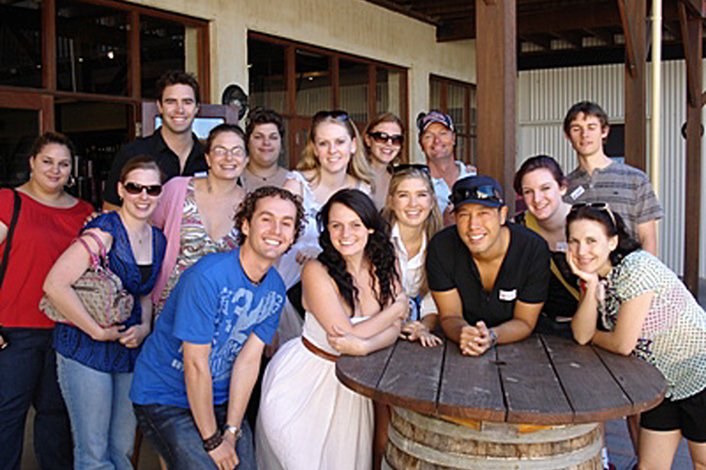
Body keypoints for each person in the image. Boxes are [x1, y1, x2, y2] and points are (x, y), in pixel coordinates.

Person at [130, 187, 304, 470]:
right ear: (245, 225)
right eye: (266, 219)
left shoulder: (274, 289)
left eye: (286, 223)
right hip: (165, 396)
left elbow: (248, 362)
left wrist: (232, 432)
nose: (276, 230)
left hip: (220, 398)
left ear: (294, 235)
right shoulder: (207, 277)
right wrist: (213, 441)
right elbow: (195, 364)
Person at [256, 189, 407, 470]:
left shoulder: (387, 262)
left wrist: (365, 346)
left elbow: (394, 329)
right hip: (308, 381)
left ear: (370, 227)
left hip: (357, 384)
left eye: (355, 225)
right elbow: (344, 334)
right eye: (336, 225)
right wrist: (396, 309)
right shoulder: (316, 270)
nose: (345, 234)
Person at [43, 155, 166, 469]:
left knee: (122, 448)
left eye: (152, 189)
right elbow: (55, 284)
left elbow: (144, 291)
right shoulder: (102, 233)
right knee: (94, 452)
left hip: (127, 349)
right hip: (85, 346)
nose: (143, 196)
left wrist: (145, 327)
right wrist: (96, 331)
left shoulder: (157, 239)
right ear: (121, 190)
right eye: (135, 187)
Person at [567, 203, 706, 470]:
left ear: (612, 242)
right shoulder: (595, 275)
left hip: (698, 371)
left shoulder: (636, 267)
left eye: (591, 241)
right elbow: (581, 335)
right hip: (662, 382)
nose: (582, 251)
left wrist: (595, 335)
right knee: (649, 466)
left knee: (702, 462)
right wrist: (590, 284)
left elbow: (622, 344)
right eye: (574, 241)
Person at [0, 132, 93, 470]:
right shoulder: (8, 201)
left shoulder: (84, 211)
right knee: (7, 415)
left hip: (64, 328)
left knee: (56, 417)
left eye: (63, 164)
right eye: (48, 162)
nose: (55, 170)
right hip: (13, 330)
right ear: (32, 163)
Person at [277, 110, 373, 344]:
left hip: (341, 287)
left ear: (353, 145)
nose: (332, 150)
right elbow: (277, 239)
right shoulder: (296, 185)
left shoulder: (363, 189)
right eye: (324, 143)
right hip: (292, 285)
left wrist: (322, 254)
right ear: (314, 148)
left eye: (339, 142)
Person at [426, 175, 550, 355]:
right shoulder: (442, 247)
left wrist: (491, 336)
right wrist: (464, 333)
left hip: (526, 351)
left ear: (502, 215)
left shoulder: (531, 249)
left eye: (483, 213)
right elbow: (450, 315)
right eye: (464, 215)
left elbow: (525, 321)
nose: (473, 225)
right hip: (457, 349)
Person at [151, 123, 247, 314]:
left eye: (237, 151)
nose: (229, 158)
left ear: (246, 160)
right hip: (171, 305)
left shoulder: (251, 206)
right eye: (220, 151)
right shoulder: (176, 189)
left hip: (222, 311)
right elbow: (146, 231)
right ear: (208, 158)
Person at [562, 101, 663, 255]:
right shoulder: (564, 187)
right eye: (576, 129)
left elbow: (647, 238)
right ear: (567, 135)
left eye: (591, 127)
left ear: (604, 131)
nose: (584, 135)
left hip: (628, 267)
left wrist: (646, 270)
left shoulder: (636, 179)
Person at [103, 70, 206, 210]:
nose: (179, 109)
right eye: (171, 102)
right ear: (160, 106)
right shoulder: (133, 153)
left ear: (197, 108)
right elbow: (110, 208)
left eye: (187, 102)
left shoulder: (209, 158)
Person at [513, 155, 578, 338]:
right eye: (528, 192)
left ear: (562, 187)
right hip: (540, 329)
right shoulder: (518, 229)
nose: (537, 199)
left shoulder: (589, 222)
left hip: (592, 328)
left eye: (545, 188)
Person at [416, 110, 475, 223]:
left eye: (443, 133)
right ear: (421, 144)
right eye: (428, 136)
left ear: (453, 138)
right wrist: (443, 222)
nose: (437, 141)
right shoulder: (418, 186)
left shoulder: (473, 176)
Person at [240, 107, 291, 193]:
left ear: (281, 143)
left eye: (273, 137)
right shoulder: (235, 179)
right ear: (247, 142)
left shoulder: (293, 180)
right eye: (258, 137)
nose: (266, 142)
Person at [364, 112, 405, 209]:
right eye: (381, 137)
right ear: (368, 140)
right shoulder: (353, 176)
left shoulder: (399, 180)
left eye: (396, 139)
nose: (389, 143)